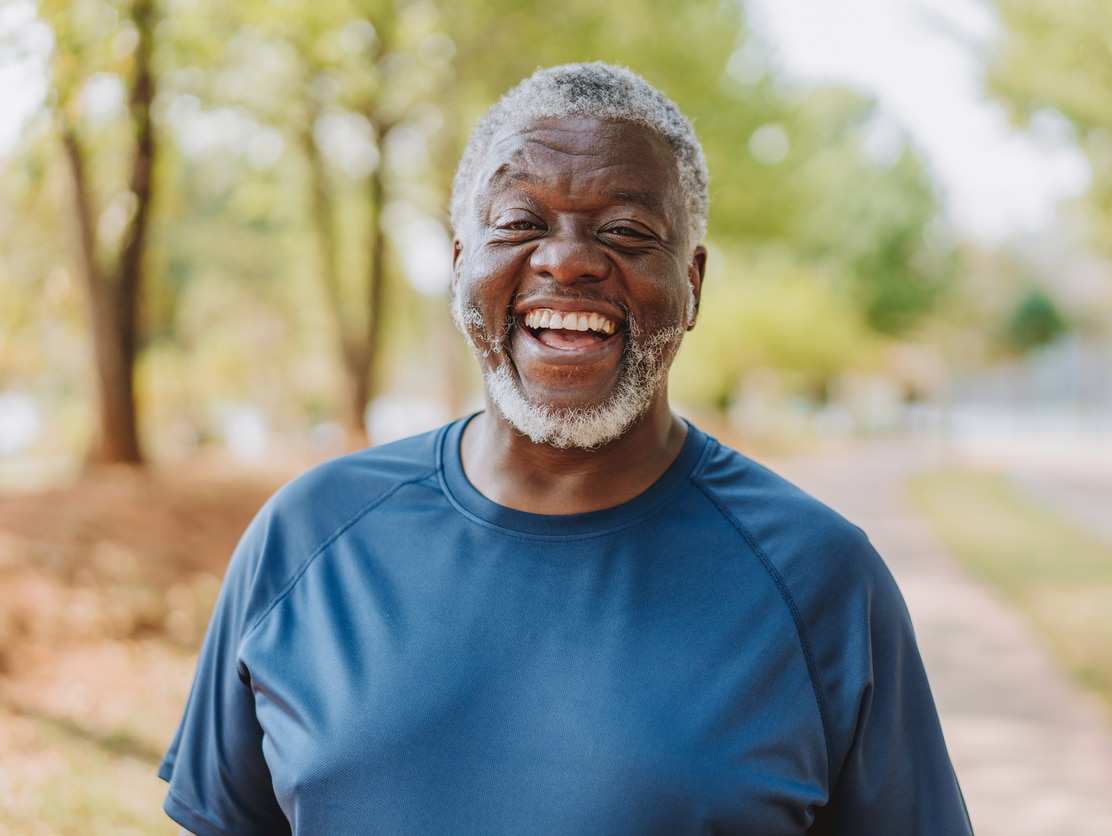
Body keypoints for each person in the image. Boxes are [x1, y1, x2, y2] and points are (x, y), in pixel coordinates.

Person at [159, 62, 972, 835]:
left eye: (624, 231)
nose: (569, 260)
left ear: (692, 284)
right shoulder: (305, 537)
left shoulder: (819, 579)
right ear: (459, 268)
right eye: (519, 223)